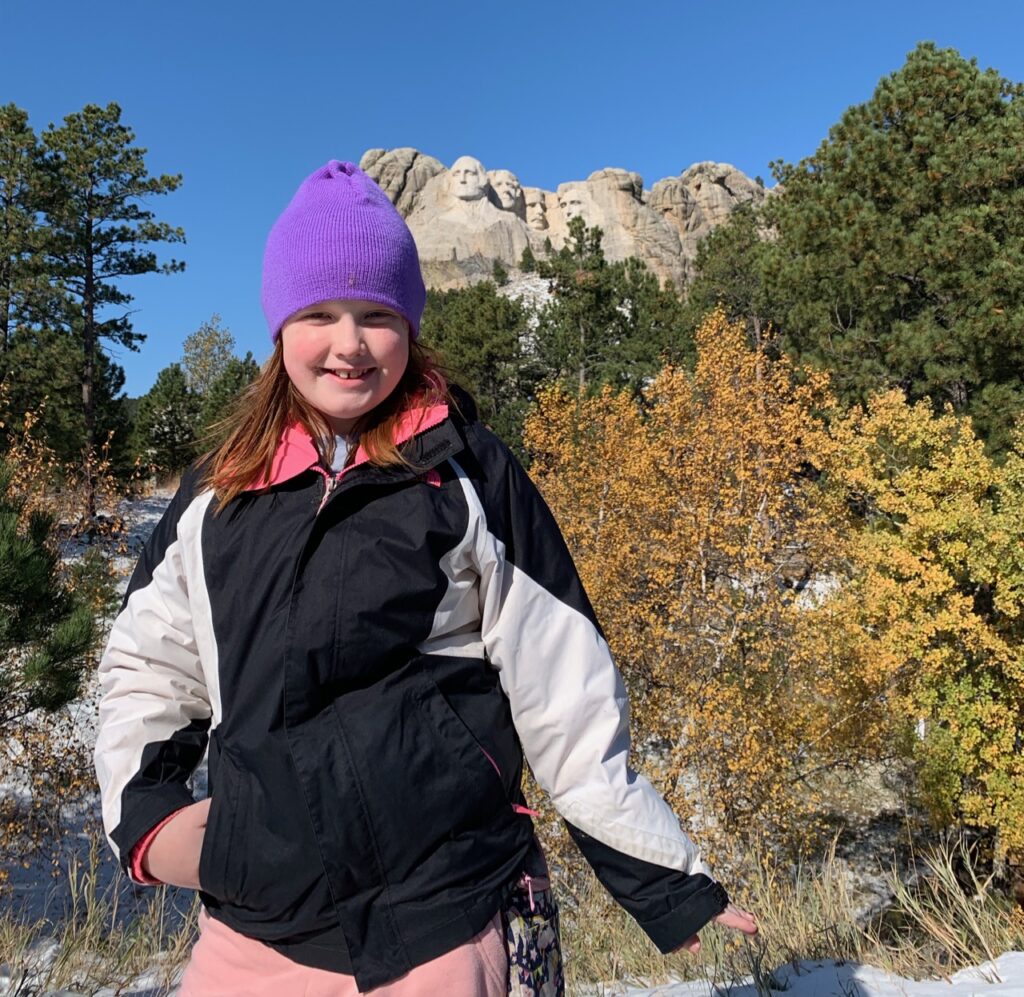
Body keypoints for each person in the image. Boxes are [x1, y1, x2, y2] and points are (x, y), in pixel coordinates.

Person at [93, 160, 756, 997]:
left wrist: (663, 878)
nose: (349, 343)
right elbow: (148, 668)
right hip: (254, 931)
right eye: (319, 314)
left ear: (409, 322)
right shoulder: (220, 490)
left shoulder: (466, 471)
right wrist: (149, 820)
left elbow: (563, 687)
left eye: (377, 315)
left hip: (447, 921)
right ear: (278, 325)